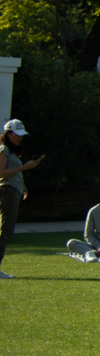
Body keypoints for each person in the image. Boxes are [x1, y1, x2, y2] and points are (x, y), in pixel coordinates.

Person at [0, 119, 42, 278]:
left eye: (21, 135)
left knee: (5, 230)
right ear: (8, 133)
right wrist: (25, 167)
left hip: (13, 191)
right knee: (5, 230)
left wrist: (22, 185)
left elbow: (12, 172)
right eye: (17, 135)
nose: (20, 138)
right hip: (7, 191)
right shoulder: (4, 149)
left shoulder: (11, 152)